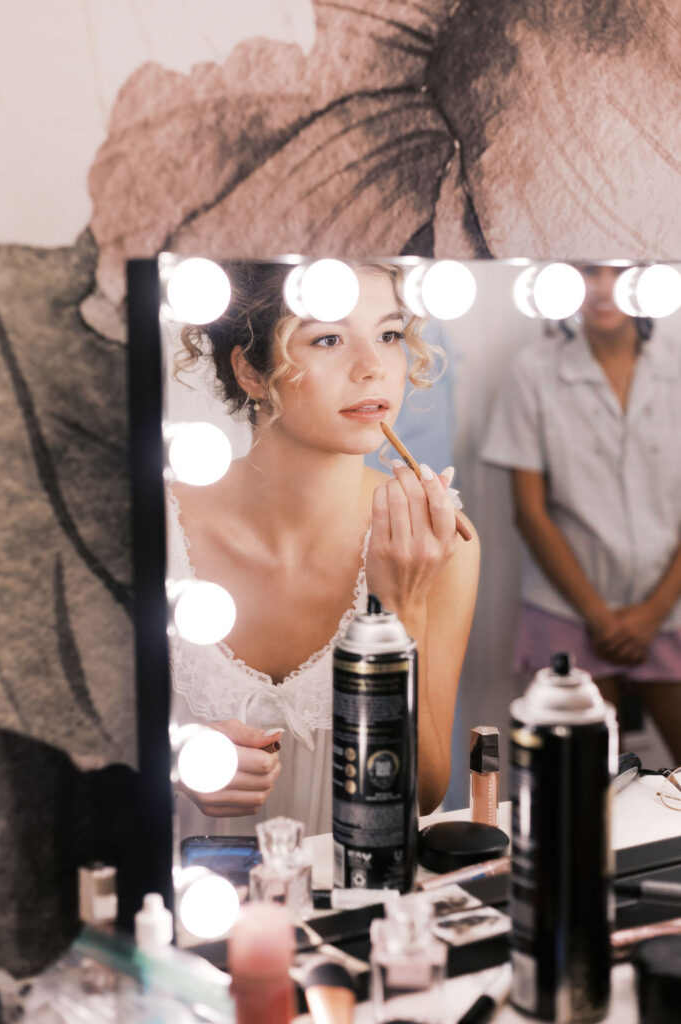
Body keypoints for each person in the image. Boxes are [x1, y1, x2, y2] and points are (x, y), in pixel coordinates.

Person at [168, 261, 480, 837]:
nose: (374, 369)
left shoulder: (440, 545)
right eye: (329, 338)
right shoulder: (158, 528)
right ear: (252, 371)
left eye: (389, 335)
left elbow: (426, 792)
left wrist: (399, 608)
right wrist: (176, 764)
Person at [482, 265, 681, 762]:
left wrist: (653, 611)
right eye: (588, 270)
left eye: (620, 270)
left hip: (669, 605)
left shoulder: (677, 363)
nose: (603, 286)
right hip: (568, 611)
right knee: (582, 784)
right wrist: (598, 616)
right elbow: (529, 512)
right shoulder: (534, 369)